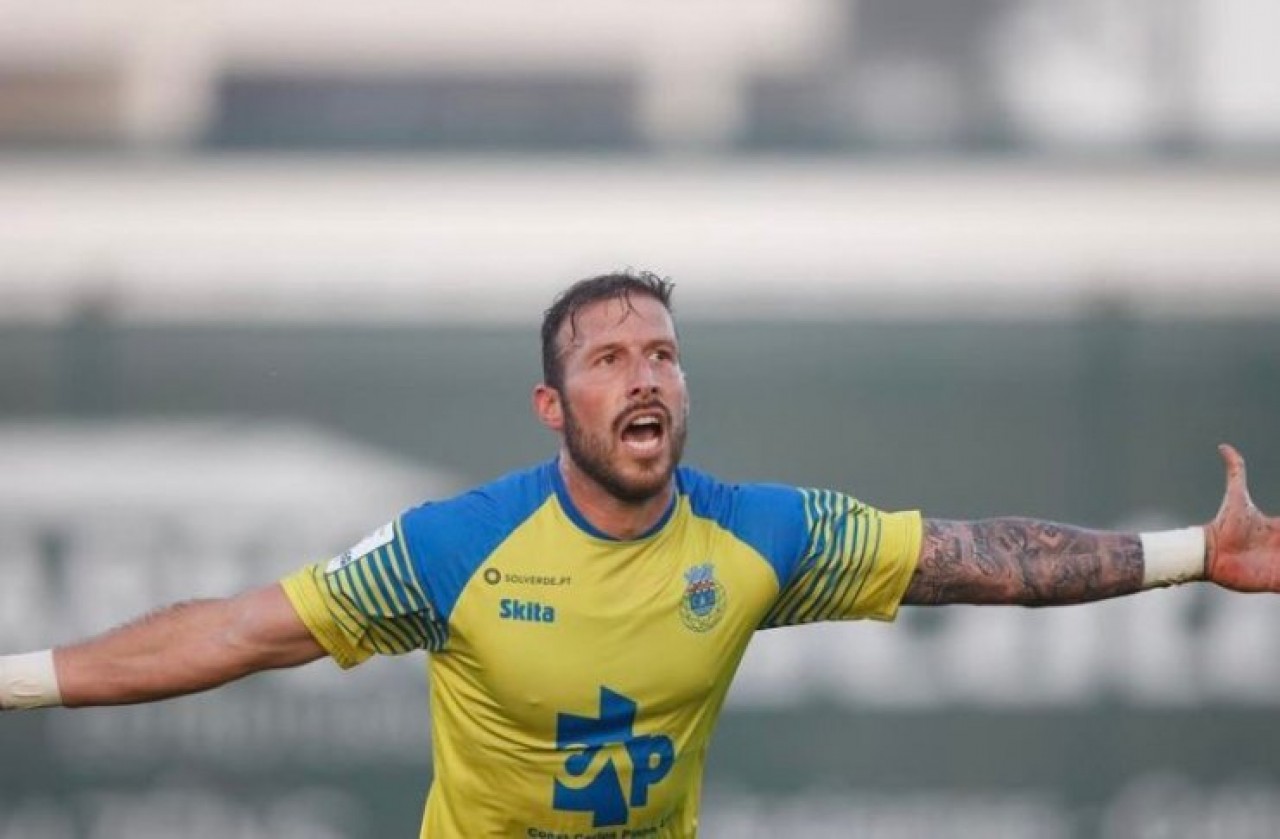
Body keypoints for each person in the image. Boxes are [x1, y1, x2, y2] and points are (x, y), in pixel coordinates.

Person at [2, 271, 1278, 838]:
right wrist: (14, 678)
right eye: (607, 359)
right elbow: (234, 631)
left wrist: (1191, 552)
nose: (643, 375)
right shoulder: (457, 549)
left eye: (661, 353)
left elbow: (976, 557)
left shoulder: (761, 535)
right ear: (551, 406)